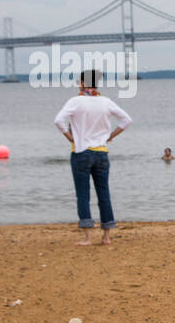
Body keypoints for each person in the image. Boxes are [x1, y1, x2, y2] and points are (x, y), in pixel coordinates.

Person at [54, 70, 132, 246]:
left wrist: (69, 136)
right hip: (102, 152)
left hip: (81, 152)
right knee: (104, 194)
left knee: (83, 195)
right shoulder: (106, 101)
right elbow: (126, 120)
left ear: (82, 83)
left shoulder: (75, 101)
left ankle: (88, 238)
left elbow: (58, 121)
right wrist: (110, 136)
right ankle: (106, 237)